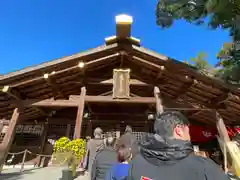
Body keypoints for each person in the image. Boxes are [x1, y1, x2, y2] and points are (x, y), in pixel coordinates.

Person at [127, 111, 229, 180]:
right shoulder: (204, 167)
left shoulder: (135, 163)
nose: (189, 136)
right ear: (179, 130)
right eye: (188, 131)